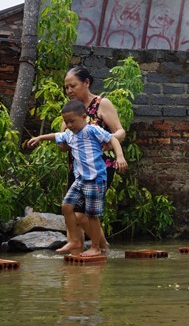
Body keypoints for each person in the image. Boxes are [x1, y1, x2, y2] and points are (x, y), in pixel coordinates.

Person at [26, 99, 126, 257]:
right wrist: (40, 138)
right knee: (66, 206)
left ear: (84, 117)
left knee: (92, 215)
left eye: (72, 121)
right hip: (80, 180)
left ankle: (96, 247)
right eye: (66, 122)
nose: (69, 125)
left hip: (95, 178)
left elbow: (112, 138)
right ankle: (74, 240)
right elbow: (56, 135)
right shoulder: (70, 135)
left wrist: (119, 157)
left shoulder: (92, 130)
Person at [61, 66, 127, 252]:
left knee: (82, 215)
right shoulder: (70, 110)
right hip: (77, 167)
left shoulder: (101, 104)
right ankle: (77, 255)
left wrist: (109, 141)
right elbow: (63, 136)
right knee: (72, 211)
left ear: (86, 83)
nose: (69, 91)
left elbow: (120, 131)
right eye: (66, 87)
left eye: (73, 86)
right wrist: (62, 144)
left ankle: (101, 248)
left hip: (101, 167)